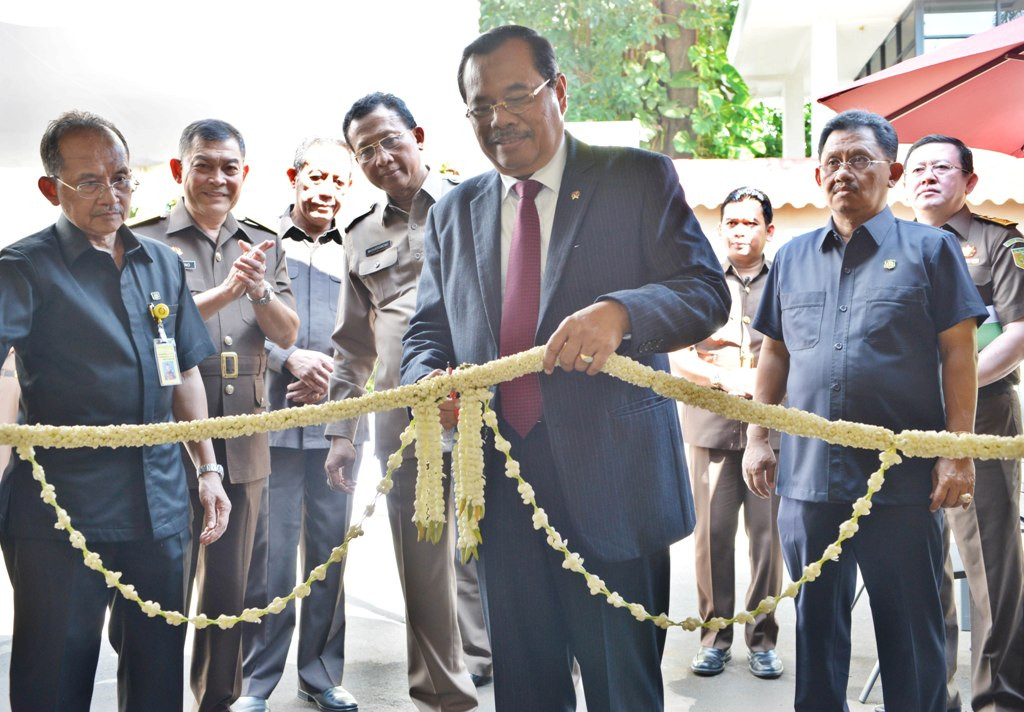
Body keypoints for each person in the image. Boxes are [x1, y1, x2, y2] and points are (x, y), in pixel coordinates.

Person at [400, 25, 730, 712]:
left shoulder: (636, 177)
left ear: (560, 90)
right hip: (502, 489)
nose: (499, 119)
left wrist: (623, 312)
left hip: (614, 486)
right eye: (480, 106)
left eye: (516, 95)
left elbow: (705, 291)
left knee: (622, 693)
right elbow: (429, 327)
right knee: (525, 690)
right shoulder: (455, 212)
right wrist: (428, 379)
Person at [742, 110, 987, 712]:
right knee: (817, 631)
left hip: (902, 482)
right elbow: (773, 352)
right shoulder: (793, 257)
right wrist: (758, 436)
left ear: (893, 172)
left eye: (859, 159)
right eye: (833, 161)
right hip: (808, 479)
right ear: (817, 174)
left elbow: (959, 354)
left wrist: (958, 451)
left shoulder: (931, 250)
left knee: (912, 635)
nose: (843, 172)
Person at [0, 110, 230, 711]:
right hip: (62, 507)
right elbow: (2, 379)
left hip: (159, 502)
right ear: (52, 188)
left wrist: (207, 469)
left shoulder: (160, 263)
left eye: (122, 177)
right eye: (90, 181)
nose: (113, 194)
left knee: (158, 670)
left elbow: (182, 369)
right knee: (54, 672)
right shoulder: (23, 267)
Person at [323, 92, 483, 712]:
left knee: (505, 538)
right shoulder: (360, 236)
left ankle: (521, 663)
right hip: (402, 416)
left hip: (484, 401)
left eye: (390, 140)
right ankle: (443, 693)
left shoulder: (476, 203)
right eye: (366, 149)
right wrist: (343, 433)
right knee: (422, 556)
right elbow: (352, 345)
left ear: (417, 135)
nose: (381, 156)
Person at [132, 118, 299, 712]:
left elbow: (287, 331)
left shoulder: (262, 241)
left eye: (230, 167)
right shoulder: (145, 241)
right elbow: (149, 330)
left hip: (244, 434)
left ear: (244, 174)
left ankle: (217, 700)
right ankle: (150, 697)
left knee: (229, 591)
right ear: (181, 170)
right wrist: (227, 291)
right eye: (205, 164)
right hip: (171, 437)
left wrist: (258, 291)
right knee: (161, 584)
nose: (218, 178)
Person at [235, 139, 361, 712]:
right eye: (315, 178)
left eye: (338, 180)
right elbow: (238, 322)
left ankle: (320, 674)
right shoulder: (257, 240)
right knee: (270, 555)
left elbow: (371, 331)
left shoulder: (360, 244)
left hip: (338, 421)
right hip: (274, 418)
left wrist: (334, 382)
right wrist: (291, 359)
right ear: (294, 176)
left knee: (330, 553)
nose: (325, 190)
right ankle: (257, 683)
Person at [905, 134, 1024, 712]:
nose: (927, 177)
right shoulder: (892, 244)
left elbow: (1018, 332)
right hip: (905, 423)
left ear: (969, 182)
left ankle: (999, 697)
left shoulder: (1000, 243)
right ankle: (933, 695)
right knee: (920, 562)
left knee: (990, 562)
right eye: (917, 168)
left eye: (941, 168)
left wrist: (956, 391)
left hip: (983, 416)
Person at [670, 186, 783, 680]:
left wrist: (758, 385)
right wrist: (719, 378)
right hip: (710, 426)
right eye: (732, 223)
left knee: (766, 539)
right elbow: (672, 350)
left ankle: (762, 639)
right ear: (720, 230)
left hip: (772, 428)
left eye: (750, 223)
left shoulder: (788, 280)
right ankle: (714, 638)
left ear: (768, 230)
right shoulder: (699, 283)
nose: (740, 231)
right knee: (711, 537)